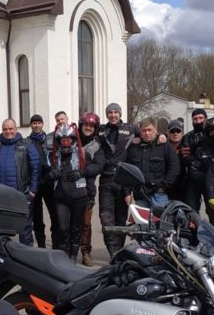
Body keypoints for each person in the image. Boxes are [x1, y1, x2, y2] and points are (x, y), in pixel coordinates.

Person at [0, 117, 40, 246]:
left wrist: (33, 190)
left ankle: (26, 257)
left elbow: (35, 168)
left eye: (10, 129)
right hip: (0, 196)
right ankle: (4, 256)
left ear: (16, 129)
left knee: (24, 228)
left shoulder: (26, 144)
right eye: (5, 129)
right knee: (1, 228)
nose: (8, 132)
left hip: (21, 194)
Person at [96, 102, 139, 257]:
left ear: (120, 114)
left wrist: (162, 135)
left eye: (116, 112)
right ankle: (113, 252)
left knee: (121, 220)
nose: (113, 115)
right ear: (107, 115)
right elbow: (85, 134)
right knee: (106, 218)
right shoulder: (100, 130)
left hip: (123, 181)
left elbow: (149, 134)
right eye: (110, 112)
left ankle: (118, 252)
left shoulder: (131, 128)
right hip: (106, 180)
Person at [48, 123, 91, 261]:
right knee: (62, 228)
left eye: (68, 140)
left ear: (73, 140)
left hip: (79, 197)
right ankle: (63, 255)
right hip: (61, 197)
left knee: (76, 228)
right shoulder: (53, 156)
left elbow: (97, 166)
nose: (66, 143)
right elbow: (44, 174)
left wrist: (81, 172)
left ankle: (73, 255)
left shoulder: (82, 153)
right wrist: (52, 174)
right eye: (63, 140)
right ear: (59, 141)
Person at [123, 117, 180, 210]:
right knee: (142, 223)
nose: (147, 133)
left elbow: (174, 167)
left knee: (160, 223)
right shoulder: (134, 147)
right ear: (140, 132)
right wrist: (127, 192)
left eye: (149, 130)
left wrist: (164, 186)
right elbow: (127, 171)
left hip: (159, 195)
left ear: (155, 130)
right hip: (140, 195)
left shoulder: (164, 145)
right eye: (144, 130)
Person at [77, 112, 105, 266]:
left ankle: (85, 251)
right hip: (68, 188)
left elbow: (99, 165)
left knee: (85, 223)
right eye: (86, 125)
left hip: (87, 190)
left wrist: (83, 171)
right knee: (68, 222)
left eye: (91, 126)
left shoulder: (97, 145)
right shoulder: (72, 139)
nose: (88, 128)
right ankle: (69, 250)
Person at [27, 113, 57, 248]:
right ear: (31, 125)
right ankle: (41, 246)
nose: (36, 125)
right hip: (35, 183)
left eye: (39, 123)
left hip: (50, 183)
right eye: (34, 123)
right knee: (37, 218)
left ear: (42, 124)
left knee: (54, 214)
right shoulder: (27, 142)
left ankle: (57, 245)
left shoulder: (50, 139)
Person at [165, 118, 185, 201]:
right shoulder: (163, 146)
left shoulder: (187, 145)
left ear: (182, 133)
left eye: (178, 131)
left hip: (184, 187)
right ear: (168, 133)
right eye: (172, 131)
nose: (175, 133)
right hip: (167, 186)